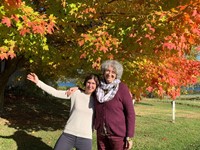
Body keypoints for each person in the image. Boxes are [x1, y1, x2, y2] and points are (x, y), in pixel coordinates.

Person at [68, 60, 135, 150]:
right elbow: (89, 90)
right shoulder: (98, 86)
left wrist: (129, 136)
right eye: (107, 71)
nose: (109, 74)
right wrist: (78, 89)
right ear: (103, 72)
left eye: (113, 72)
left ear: (117, 74)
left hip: (118, 135)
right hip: (101, 134)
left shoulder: (122, 88)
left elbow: (130, 113)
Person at [27, 73, 99, 150]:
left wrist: (78, 88)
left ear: (97, 85)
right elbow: (55, 92)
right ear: (85, 83)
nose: (90, 85)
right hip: (68, 134)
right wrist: (38, 82)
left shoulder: (97, 100)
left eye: (93, 83)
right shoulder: (75, 93)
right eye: (89, 82)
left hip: (85, 138)